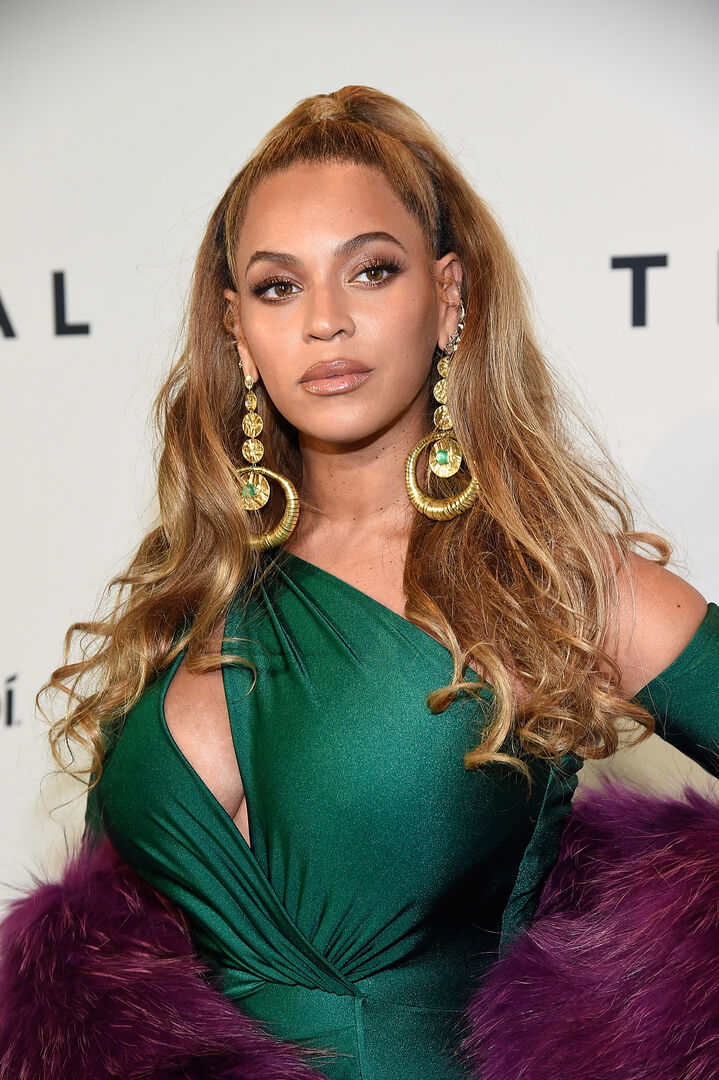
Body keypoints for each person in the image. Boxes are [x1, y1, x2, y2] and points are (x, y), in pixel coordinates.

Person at [6, 86, 719, 1080]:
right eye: (278, 287)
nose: (326, 322)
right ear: (236, 329)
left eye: (370, 271)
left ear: (449, 296)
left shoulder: (551, 584)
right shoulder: (183, 603)